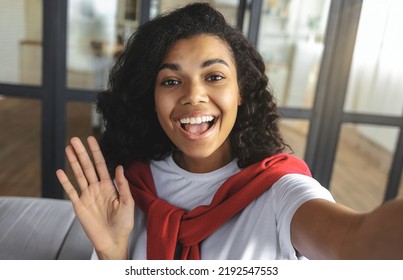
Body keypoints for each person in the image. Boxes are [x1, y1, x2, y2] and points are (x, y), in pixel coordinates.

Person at [56, 3, 403, 260]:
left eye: (214, 76)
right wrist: (111, 253)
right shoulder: (128, 190)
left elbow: (354, 242)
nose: (193, 95)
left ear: (240, 91)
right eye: (172, 81)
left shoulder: (280, 191)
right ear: (152, 98)